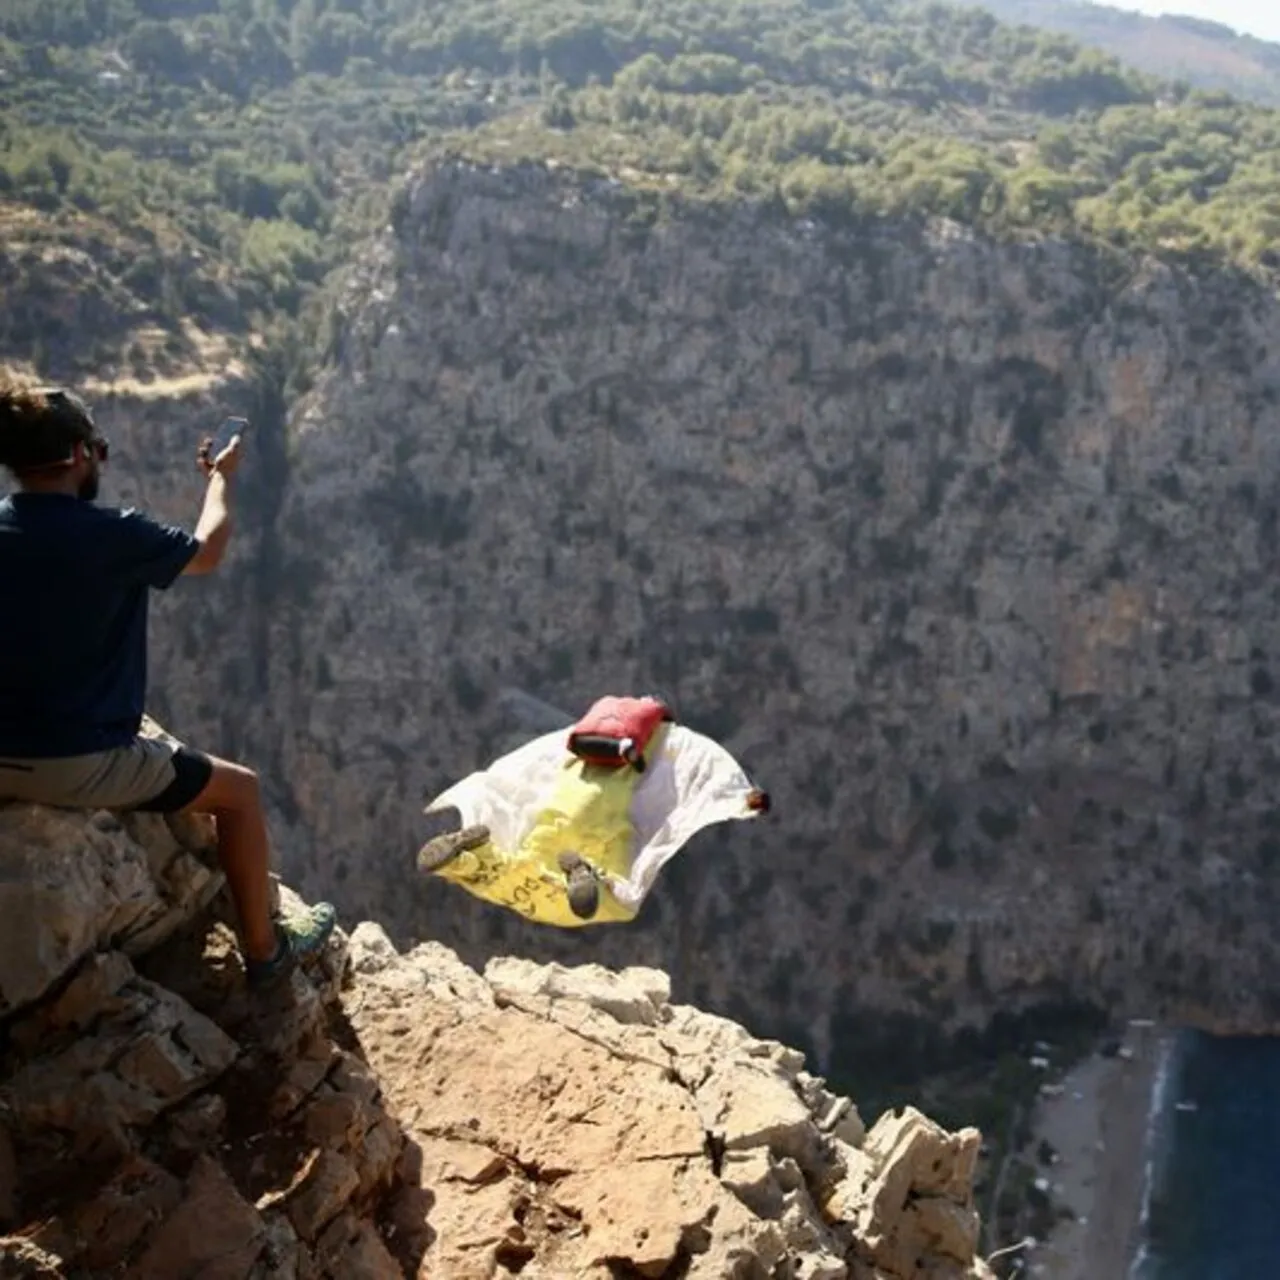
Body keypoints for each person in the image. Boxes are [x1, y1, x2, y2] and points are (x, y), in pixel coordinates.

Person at [0, 375, 335, 988]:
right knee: (240, 793)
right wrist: (221, 478)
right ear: (79, 455)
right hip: (75, 760)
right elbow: (207, 550)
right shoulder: (111, 534)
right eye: (99, 449)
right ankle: (266, 952)